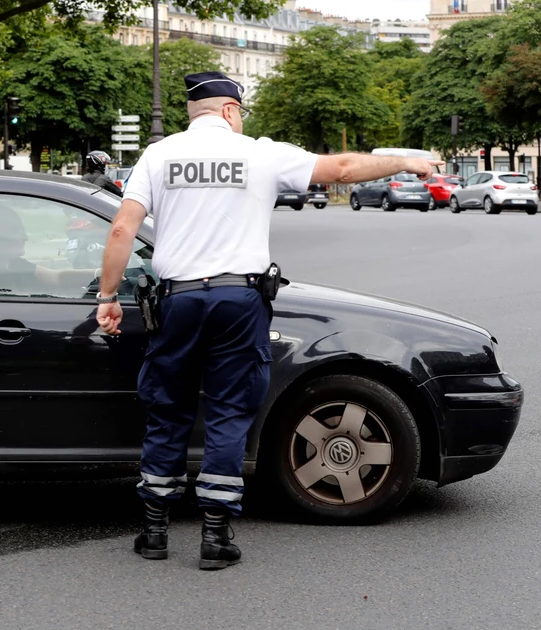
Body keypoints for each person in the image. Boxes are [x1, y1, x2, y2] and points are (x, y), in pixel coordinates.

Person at [94, 71, 442, 571]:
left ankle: (154, 531)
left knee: (167, 406)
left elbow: (124, 227)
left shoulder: (159, 154)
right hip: (239, 300)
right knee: (230, 410)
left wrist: (108, 296)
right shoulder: (259, 153)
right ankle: (215, 536)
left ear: (194, 113)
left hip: (179, 300)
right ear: (231, 111)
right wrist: (406, 160)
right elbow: (342, 169)